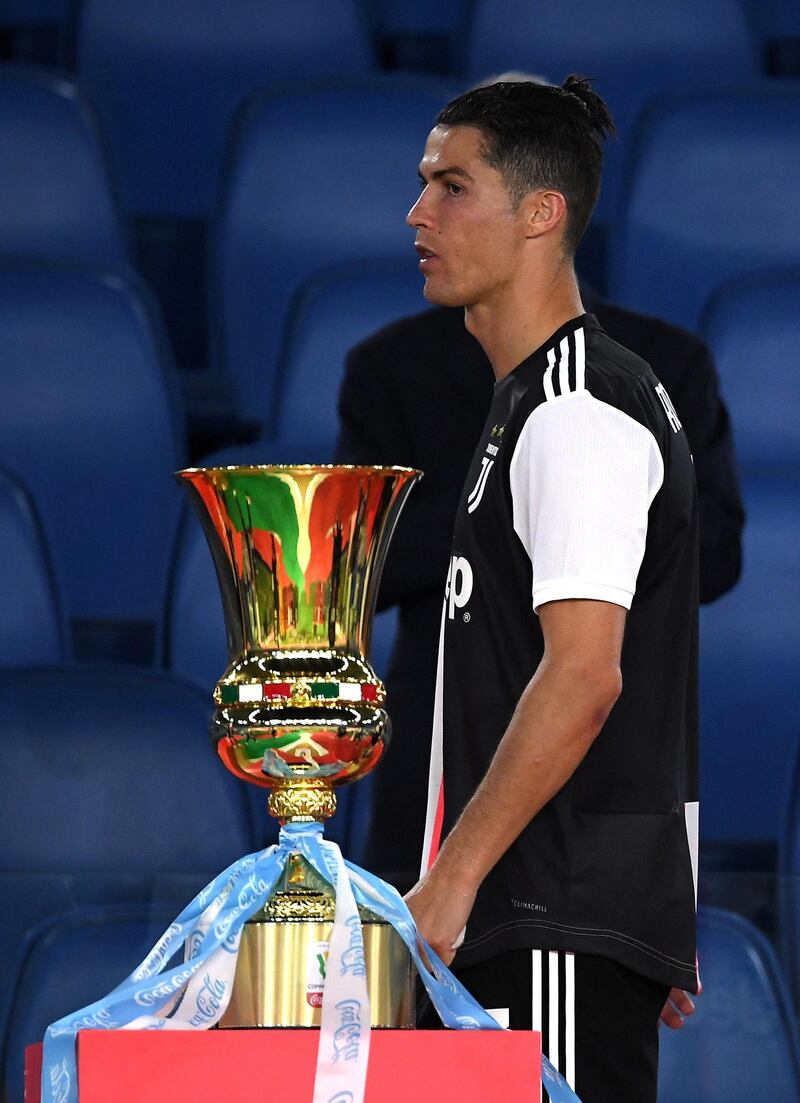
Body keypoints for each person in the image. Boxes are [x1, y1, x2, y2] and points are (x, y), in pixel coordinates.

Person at [379, 77, 698, 1102]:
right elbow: (644, 663)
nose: (418, 215)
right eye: (423, 186)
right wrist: (656, 899)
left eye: (450, 186)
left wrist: (456, 877)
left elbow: (585, 676)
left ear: (539, 213)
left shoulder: (573, 409)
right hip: (547, 921)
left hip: (538, 919)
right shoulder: (541, 402)